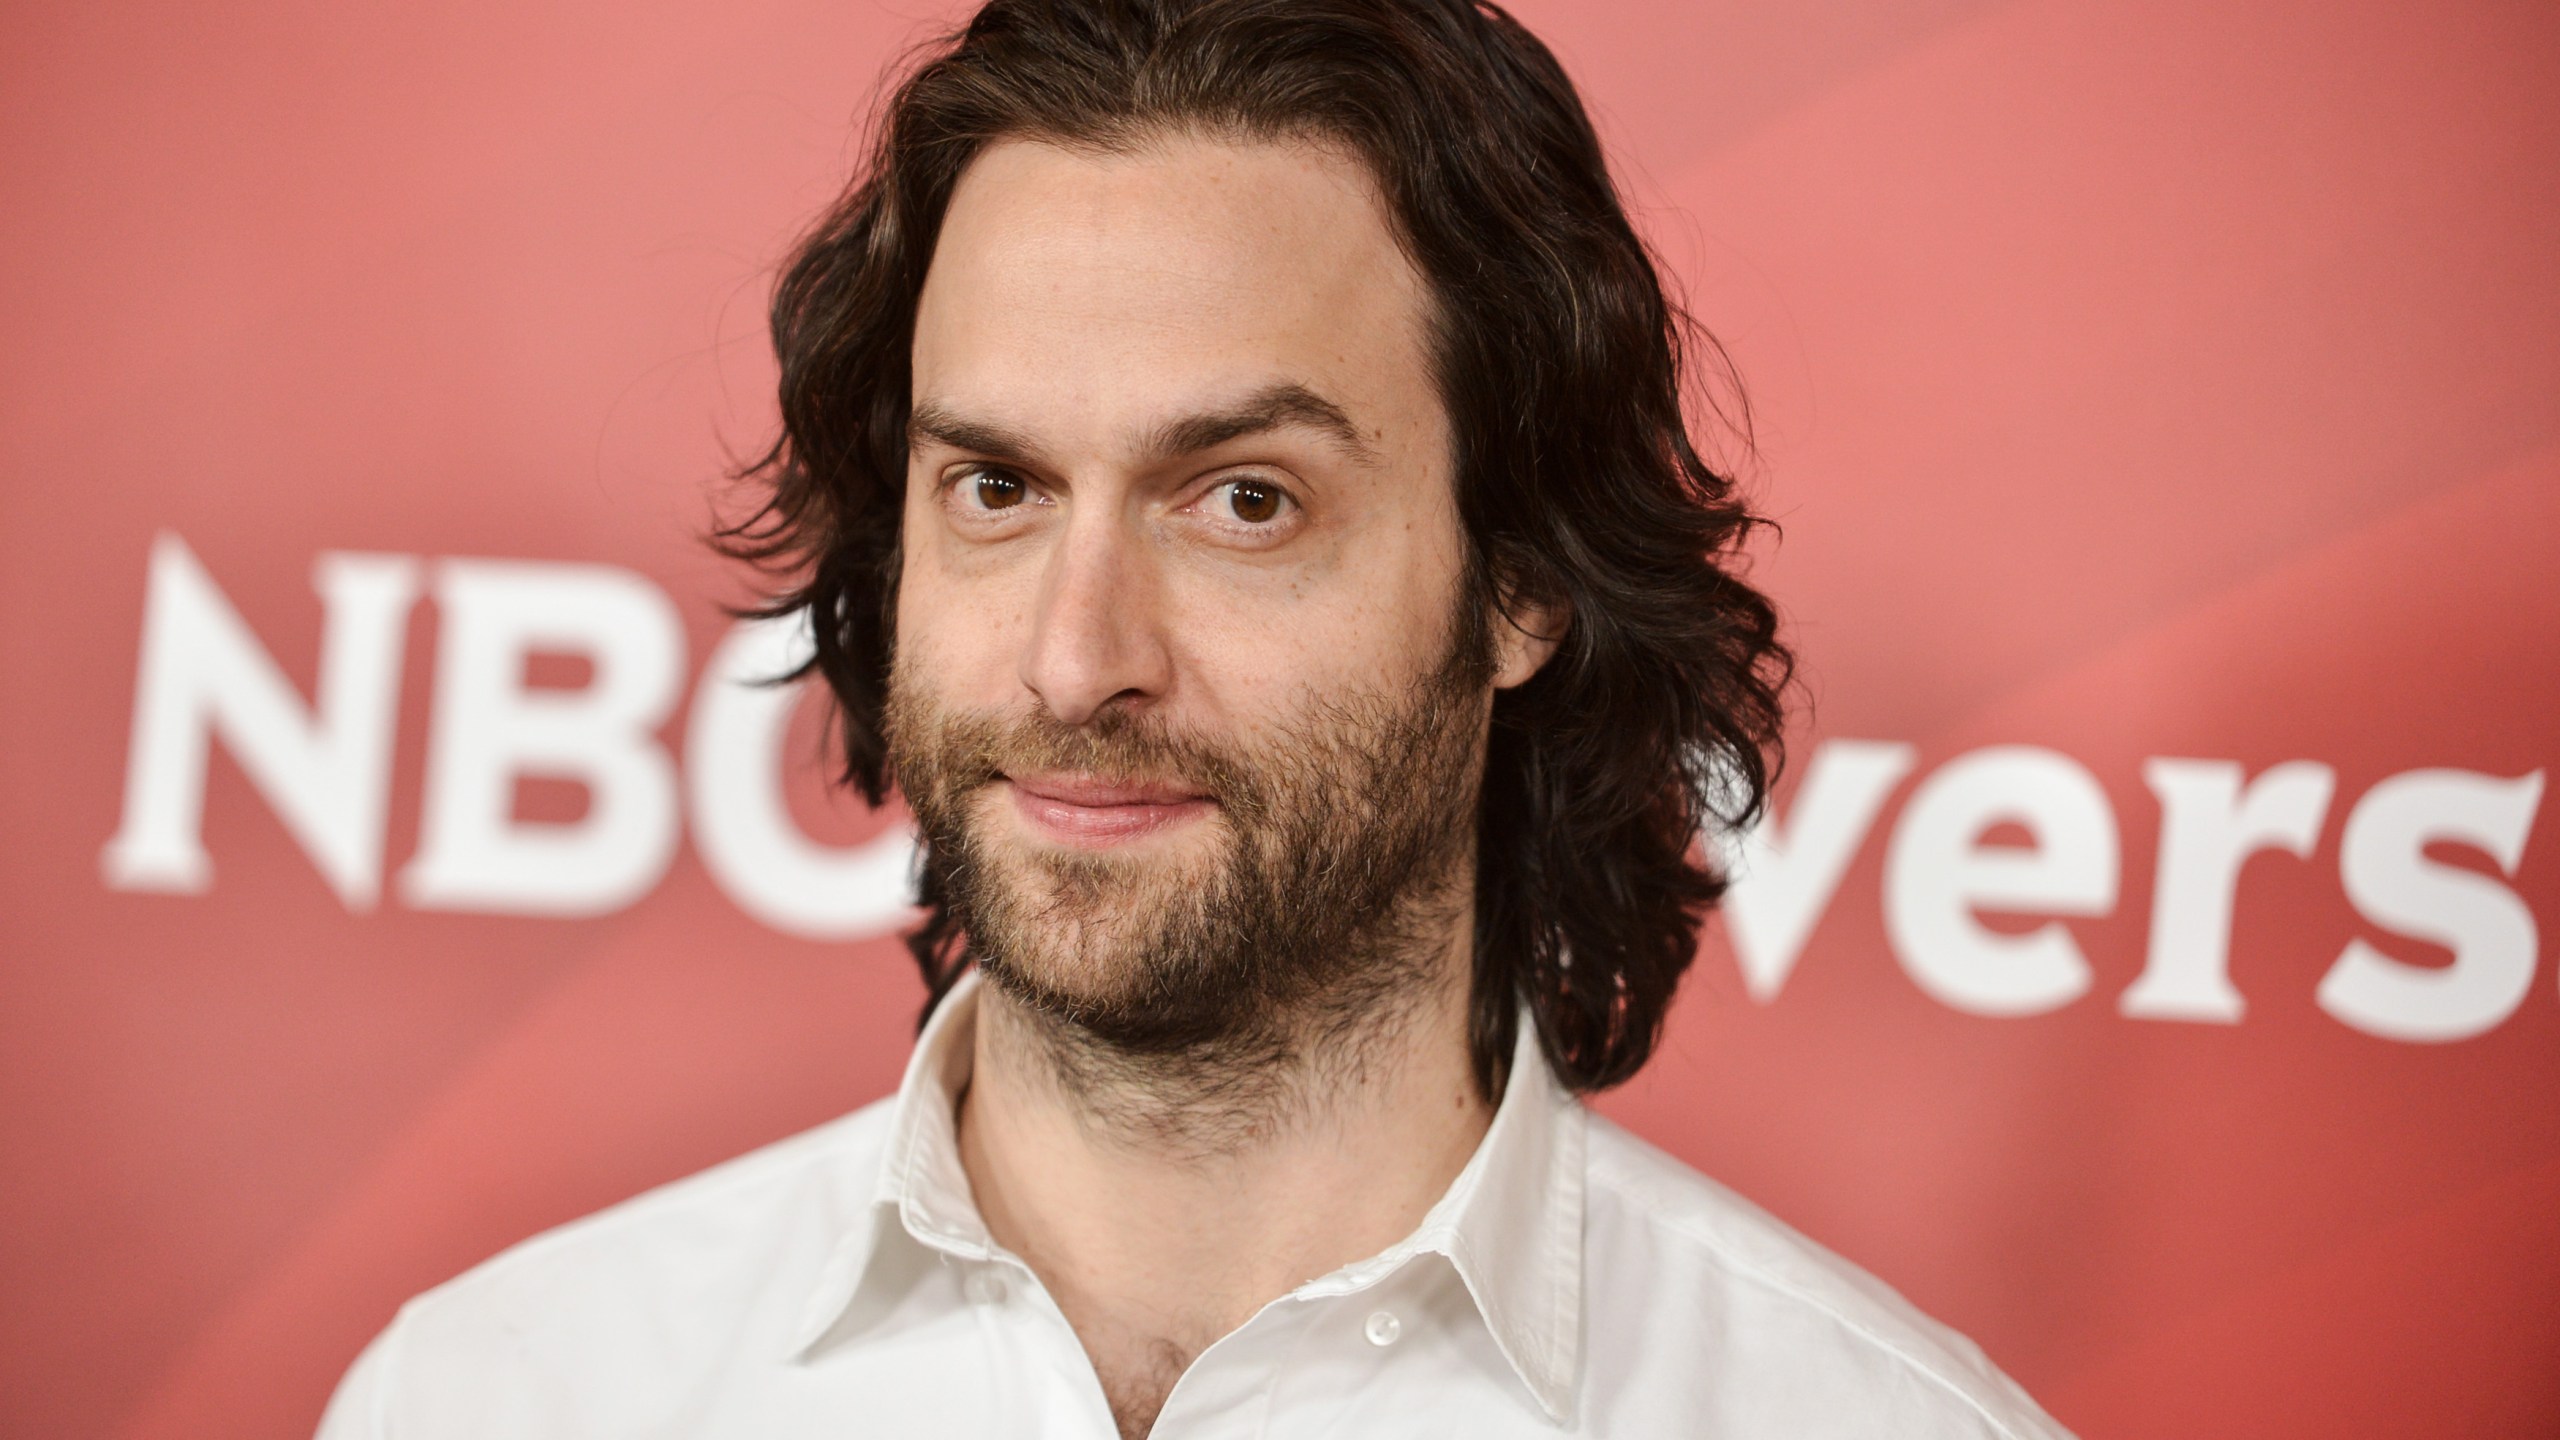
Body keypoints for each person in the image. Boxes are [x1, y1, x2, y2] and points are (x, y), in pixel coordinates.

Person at [319, 1, 2073, 1435]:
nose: (1076, 663)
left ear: (1521, 580)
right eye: (995, 487)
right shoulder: (497, 1396)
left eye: (1243, 500)